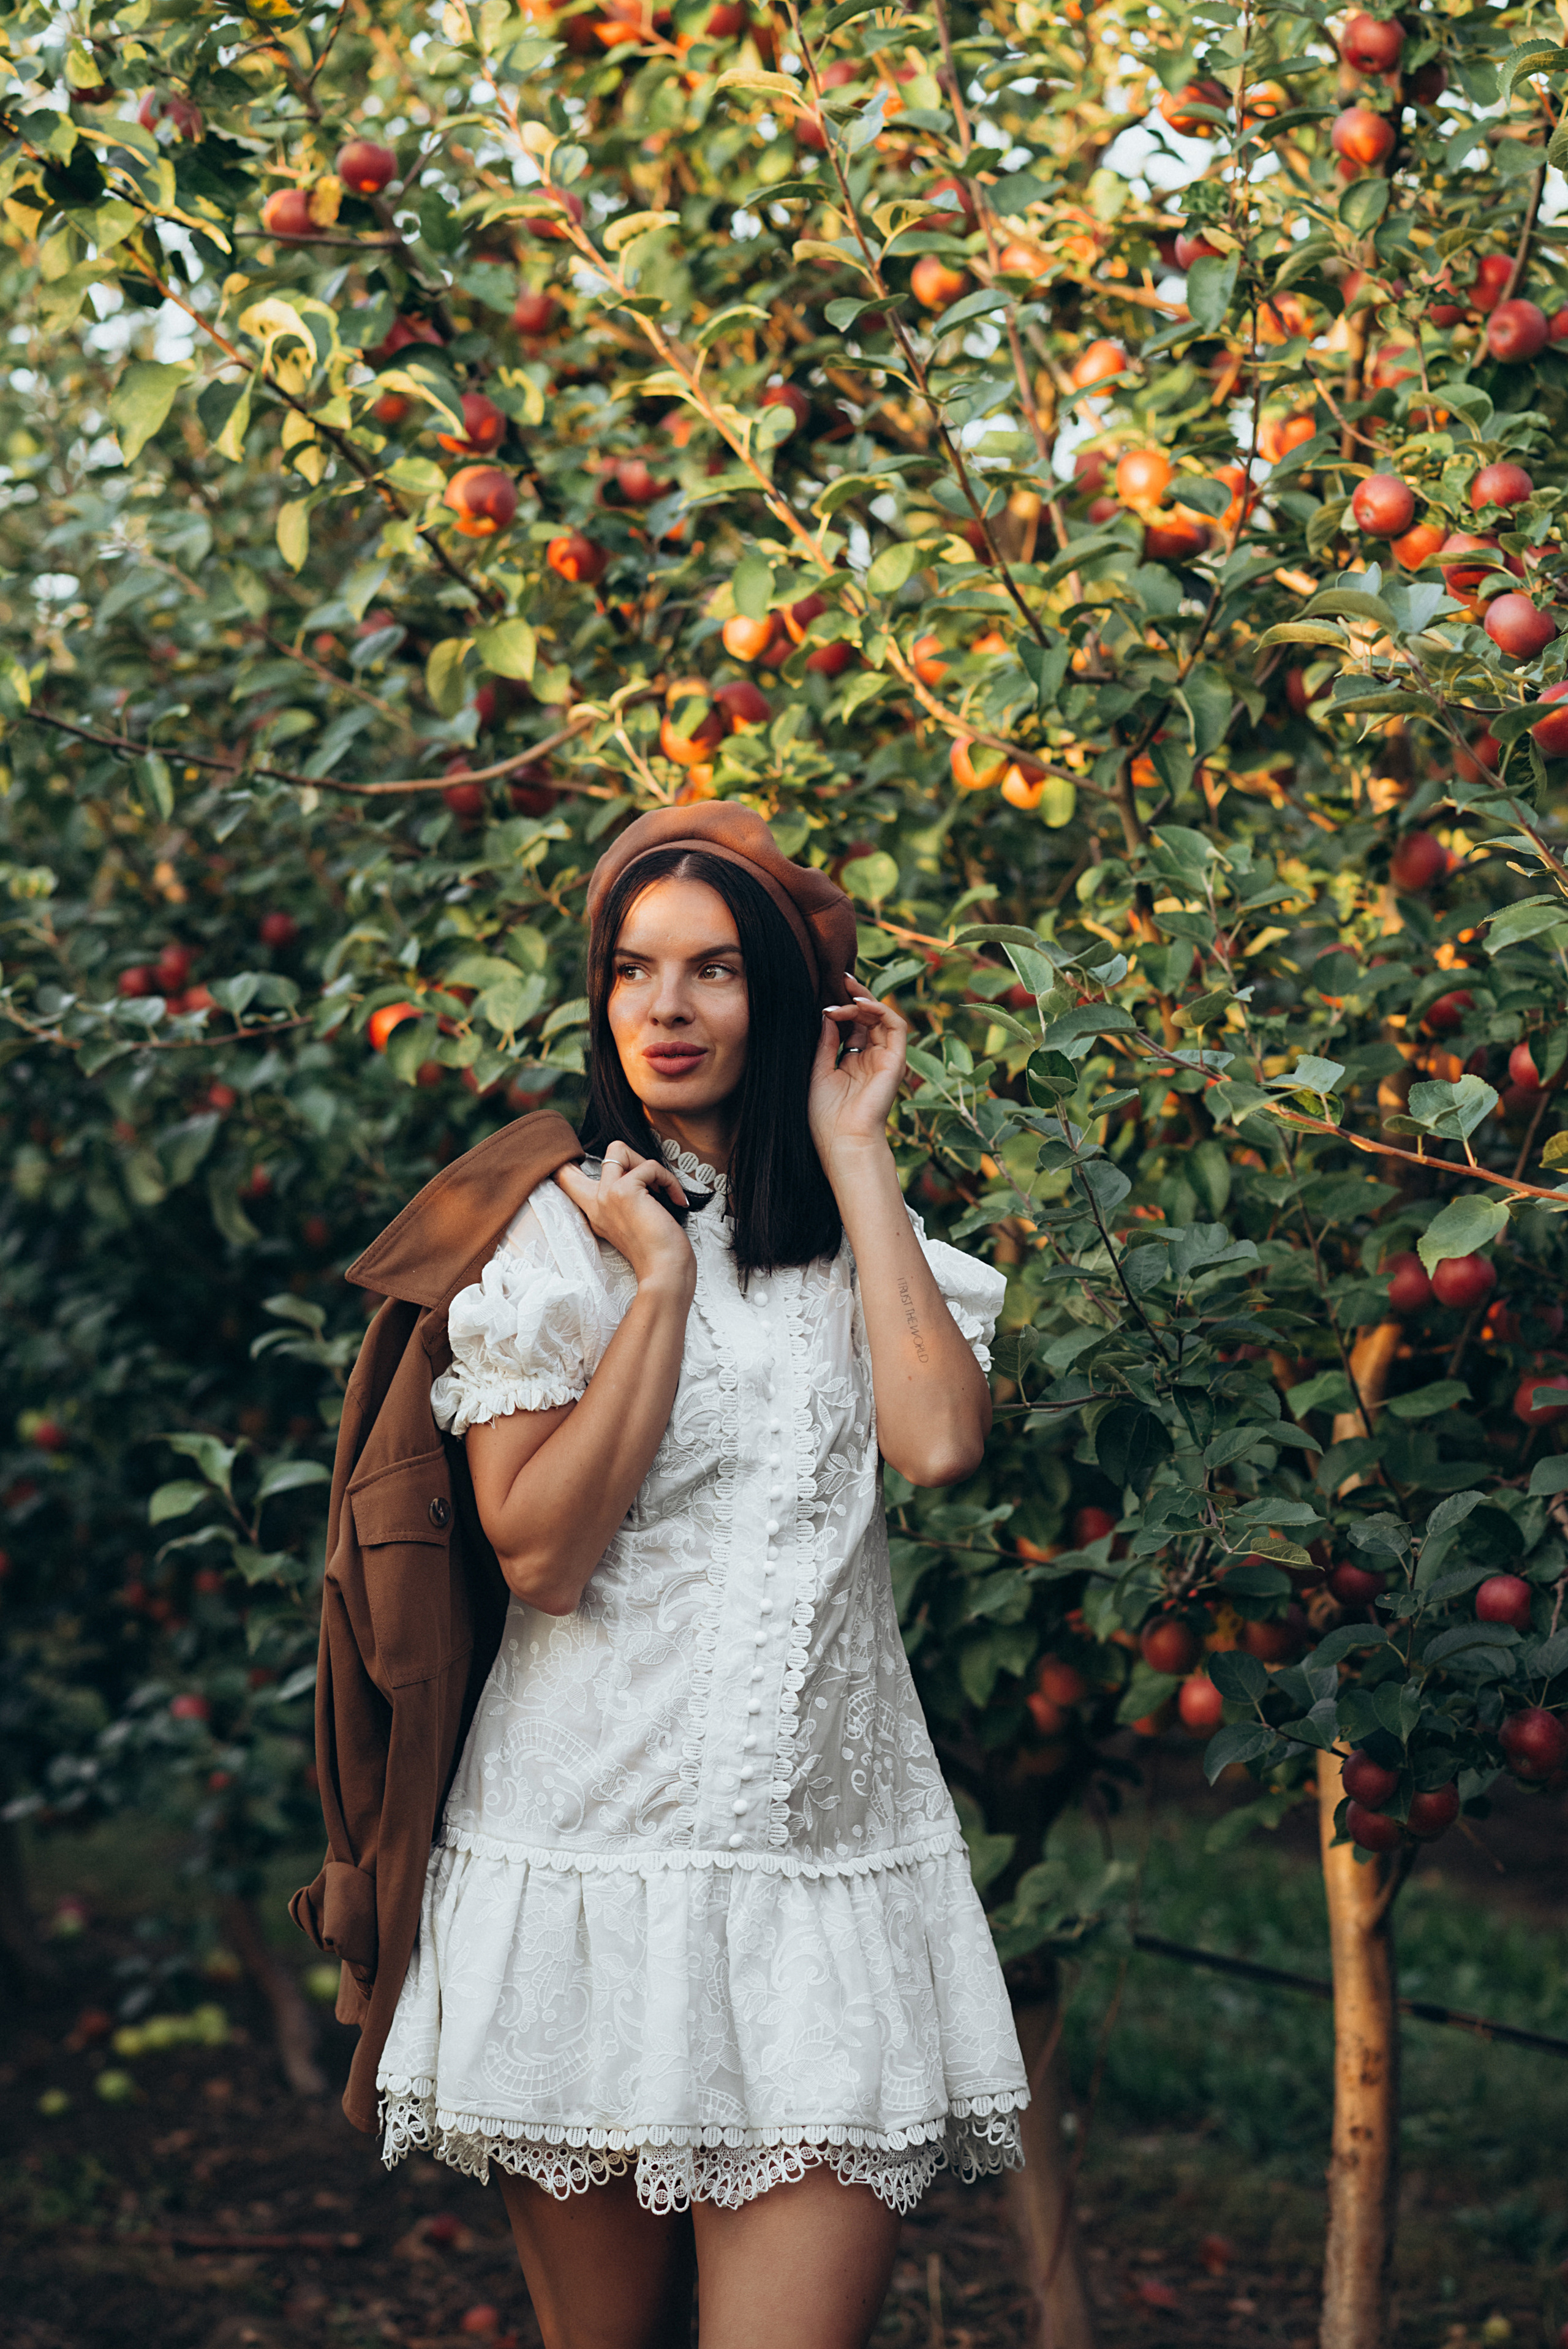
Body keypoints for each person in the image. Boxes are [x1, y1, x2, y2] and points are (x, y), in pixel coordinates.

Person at [375, 806, 1027, 2348]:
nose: (665, 1009)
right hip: (583, 1865)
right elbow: (538, 1553)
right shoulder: (558, 1239)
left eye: (716, 972)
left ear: (788, 1002)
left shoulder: (864, 1244)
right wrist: (658, 1286)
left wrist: (856, 1154)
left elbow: (936, 1442)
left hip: (820, 1879)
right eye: (631, 970)